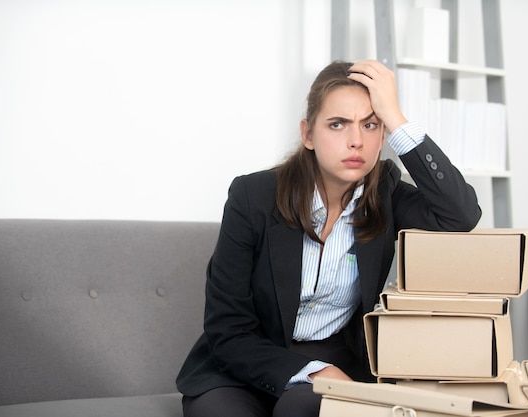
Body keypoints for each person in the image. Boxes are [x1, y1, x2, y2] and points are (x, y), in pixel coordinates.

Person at [176, 59, 481, 417]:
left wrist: (396, 118)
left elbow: (460, 215)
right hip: (243, 365)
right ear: (308, 134)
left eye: (370, 125)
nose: (356, 141)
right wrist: (312, 371)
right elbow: (227, 328)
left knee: (304, 411)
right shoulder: (252, 196)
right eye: (337, 125)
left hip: (335, 364)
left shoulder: (385, 192)